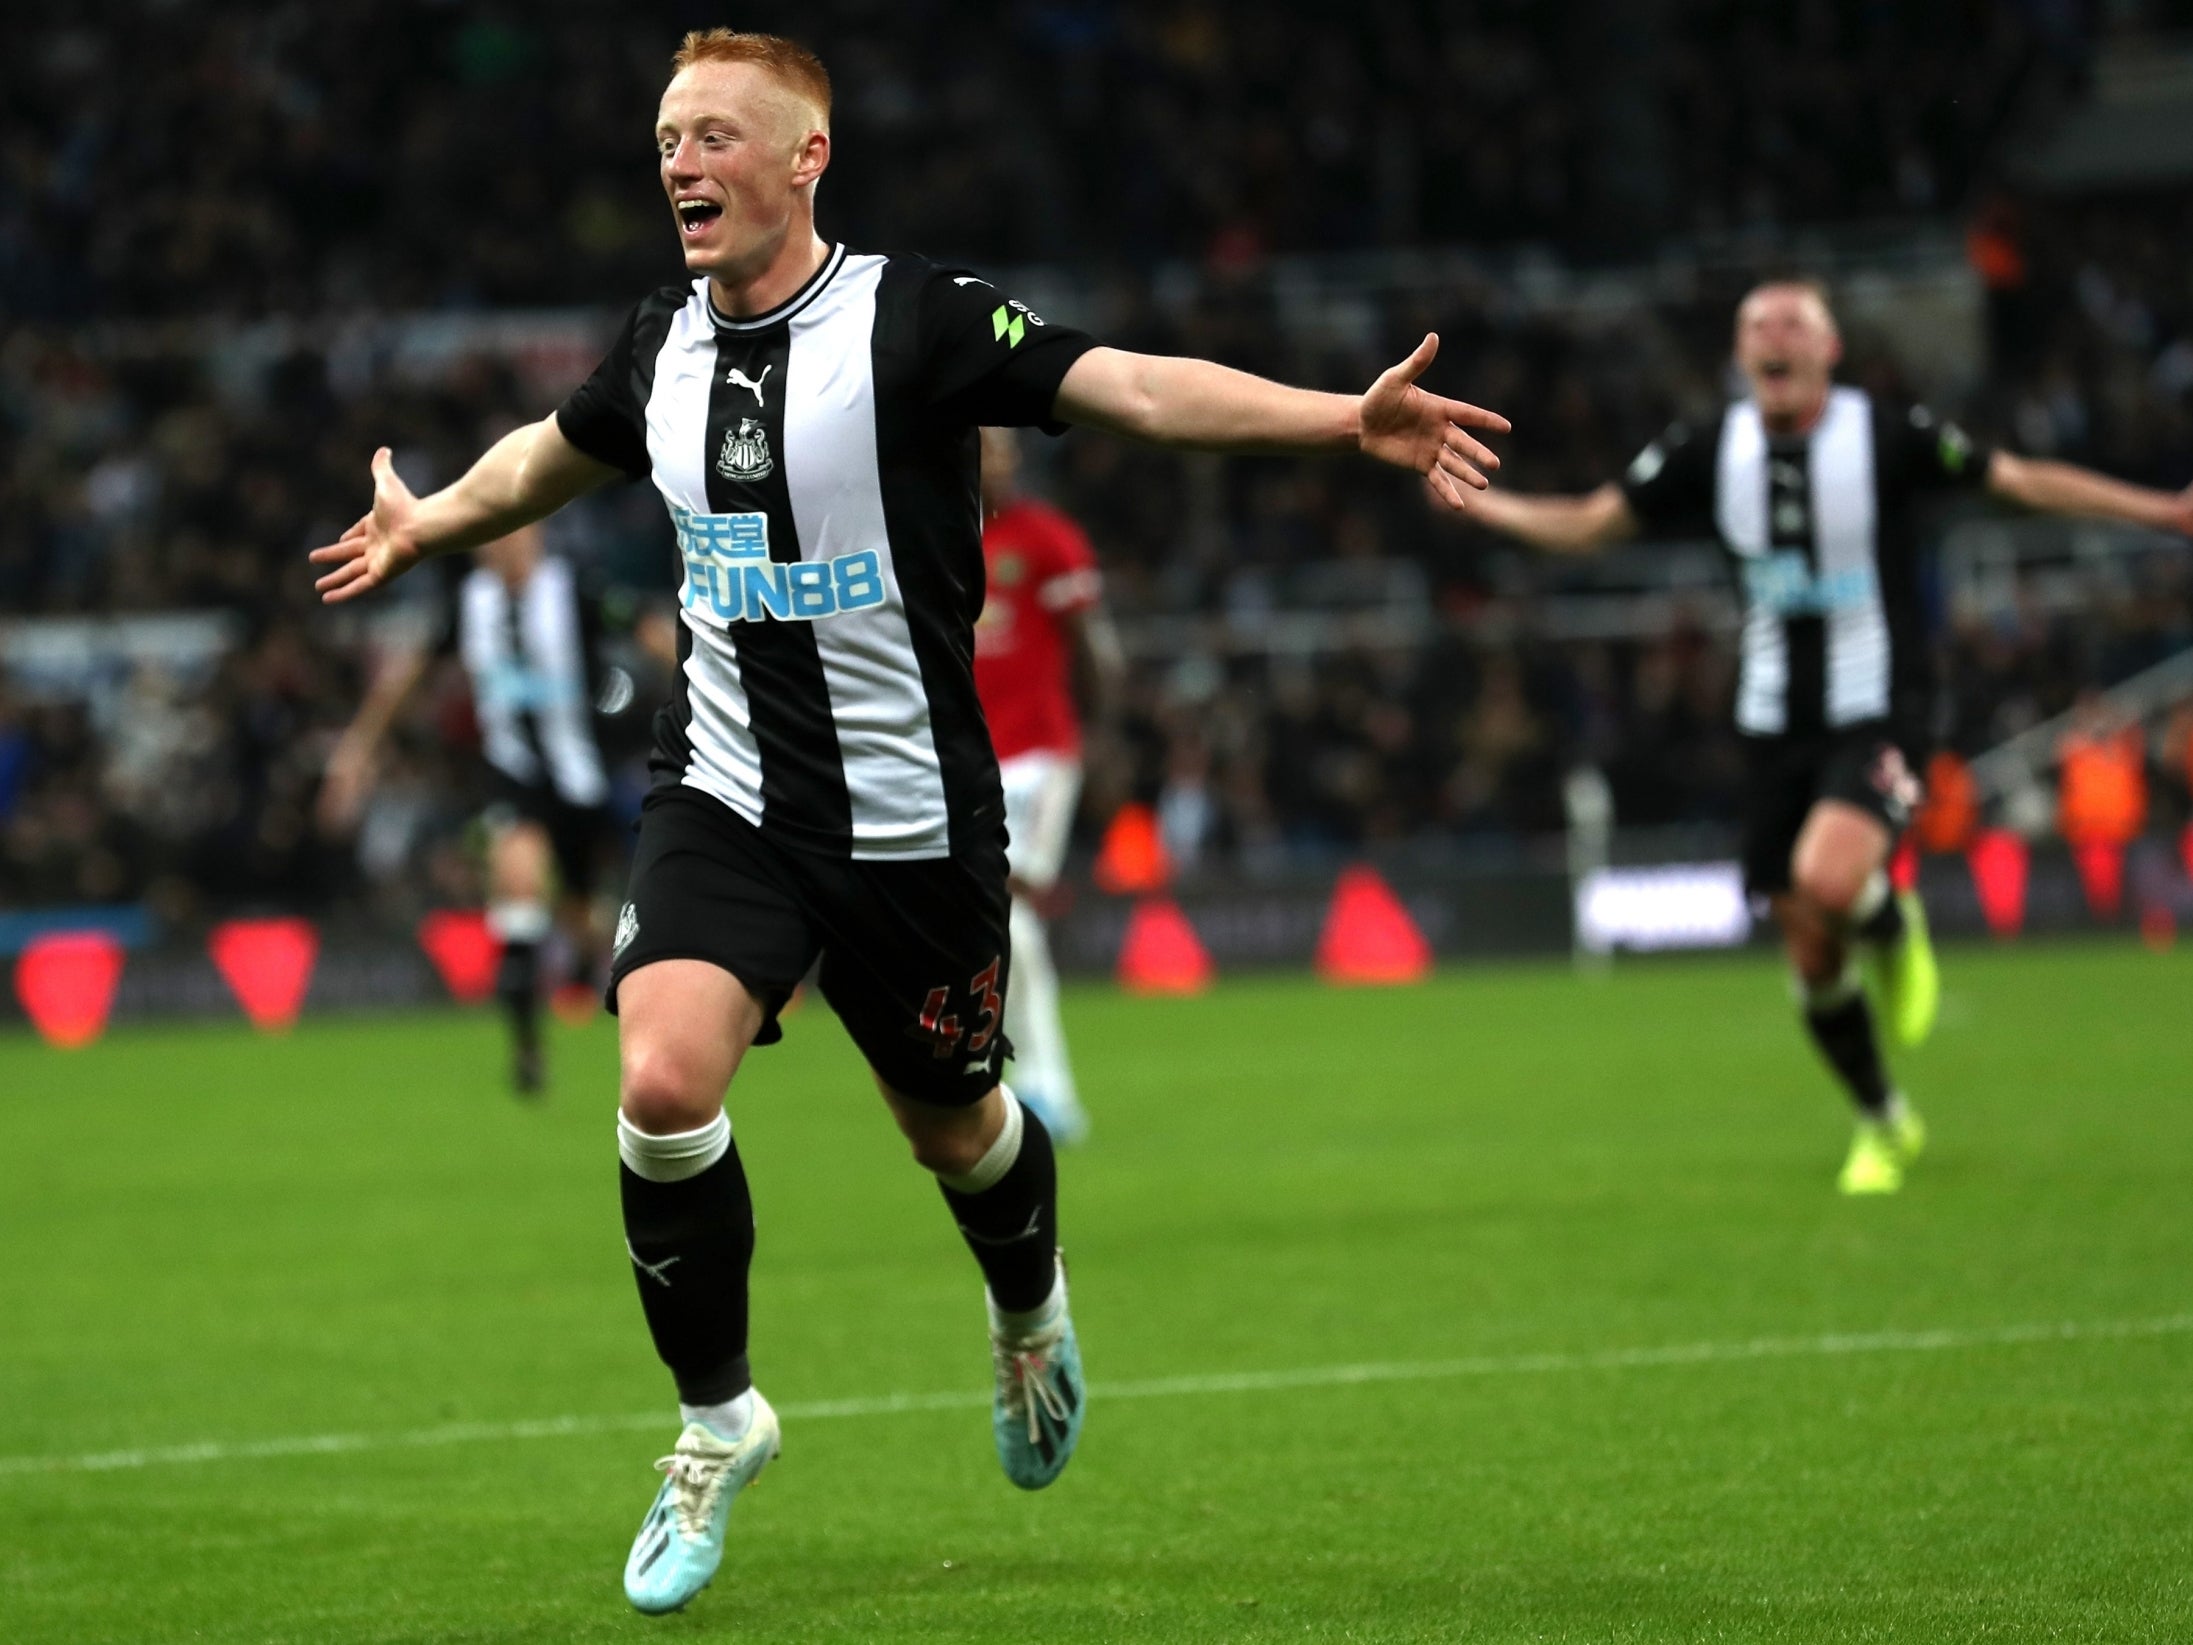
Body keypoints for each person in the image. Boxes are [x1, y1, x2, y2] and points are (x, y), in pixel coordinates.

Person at [309, 28, 1509, 1618]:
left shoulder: (916, 317)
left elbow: (1127, 384)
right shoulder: (660, 338)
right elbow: (561, 448)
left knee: (953, 1126)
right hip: (722, 796)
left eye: (718, 136)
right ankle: (716, 1419)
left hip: (912, 818)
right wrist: (437, 516)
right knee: (664, 1079)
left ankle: (1029, 1310)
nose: (683, 163)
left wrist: (1335, 420)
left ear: (805, 159)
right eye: (669, 137)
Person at [1465, 278, 2193, 1196]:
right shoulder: (1703, 447)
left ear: (1829, 351)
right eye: (1755, 325)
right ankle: (1883, 1119)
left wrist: (2160, 511)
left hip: (1878, 705)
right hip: (1770, 723)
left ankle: (1888, 922)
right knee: (1809, 951)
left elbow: (2018, 481)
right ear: (1738, 357)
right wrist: (1488, 507)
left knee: (1826, 876)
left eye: (1793, 323)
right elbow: (1588, 523)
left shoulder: (1888, 435)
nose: (1773, 336)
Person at [320, 522, 673, 1093]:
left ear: (533, 537)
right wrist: (359, 748)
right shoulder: (468, 605)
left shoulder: (575, 588)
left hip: (583, 778)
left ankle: (592, 969)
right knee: (519, 889)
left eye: (509, 537)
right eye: (488, 540)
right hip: (514, 777)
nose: (497, 549)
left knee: (583, 920)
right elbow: (408, 672)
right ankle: (528, 1052)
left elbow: (646, 627)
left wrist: (698, 683)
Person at [972, 427, 1122, 1146]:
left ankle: (1045, 1086)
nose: (997, 460)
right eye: (983, 447)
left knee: (1007, 911)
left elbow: (1094, 648)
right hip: (965, 761)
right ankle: (1014, 1080)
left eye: (1003, 448)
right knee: (989, 919)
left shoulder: (1044, 538)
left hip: (1037, 754)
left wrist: (1104, 743)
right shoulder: (923, 540)